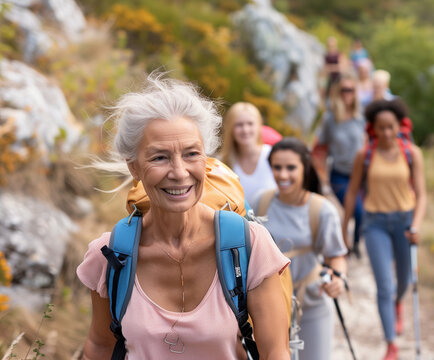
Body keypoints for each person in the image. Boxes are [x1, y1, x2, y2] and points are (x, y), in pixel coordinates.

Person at [77, 75, 291, 359]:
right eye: (159, 158)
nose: (179, 172)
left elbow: (275, 353)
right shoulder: (111, 257)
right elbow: (101, 346)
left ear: (207, 159)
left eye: (191, 154)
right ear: (134, 168)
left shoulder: (248, 246)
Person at [342, 99, 427, 360]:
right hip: (375, 223)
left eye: (392, 127)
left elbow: (422, 195)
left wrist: (416, 225)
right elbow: (353, 191)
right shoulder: (364, 155)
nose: (388, 133)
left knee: (404, 281)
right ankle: (391, 344)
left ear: (400, 126)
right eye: (382, 128)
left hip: (404, 223)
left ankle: (398, 304)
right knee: (384, 286)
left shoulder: (412, 153)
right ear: (374, 129)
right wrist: (344, 227)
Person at [251, 138, 347, 360]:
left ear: (305, 168)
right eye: (277, 167)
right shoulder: (260, 202)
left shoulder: (322, 210)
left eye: (291, 168)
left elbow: (336, 255)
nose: (283, 175)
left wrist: (338, 278)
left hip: (311, 303)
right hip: (268, 307)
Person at [315, 72, 365, 256]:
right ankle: (345, 245)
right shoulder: (331, 119)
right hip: (340, 174)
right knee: (356, 211)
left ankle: (356, 243)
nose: (347, 94)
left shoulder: (361, 117)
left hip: (362, 174)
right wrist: (322, 177)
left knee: (363, 214)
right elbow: (319, 149)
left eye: (351, 90)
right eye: (343, 90)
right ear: (337, 92)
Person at [220, 102, 277, 206]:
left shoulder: (272, 155)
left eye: (250, 124)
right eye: (239, 125)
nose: (245, 130)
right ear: (230, 129)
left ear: (259, 126)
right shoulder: (223, 162)